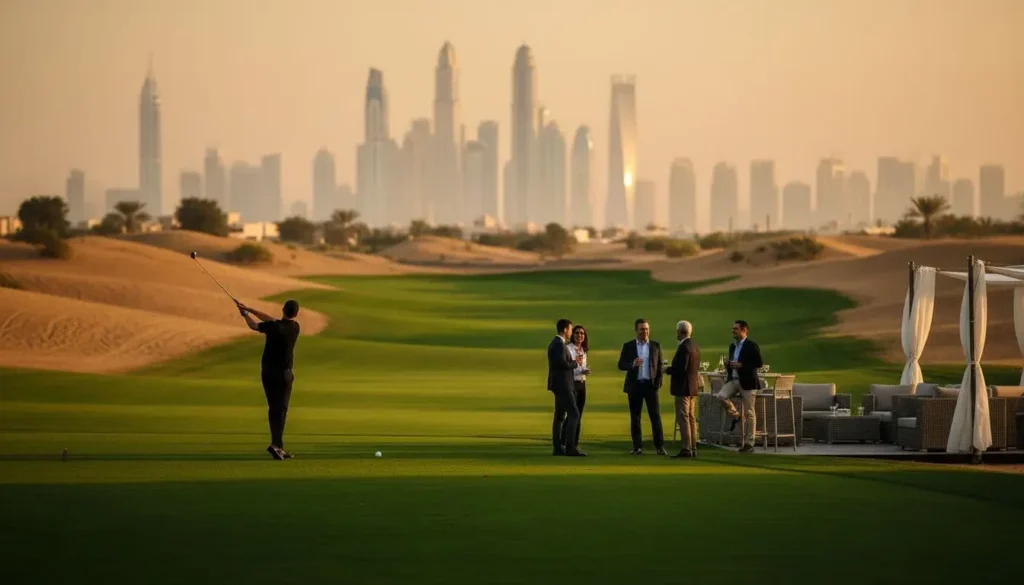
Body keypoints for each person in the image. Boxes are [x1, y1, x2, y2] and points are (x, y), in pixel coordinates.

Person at [238, 299, 301, 460]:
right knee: (280, 410)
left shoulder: (273, 327)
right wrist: (249, 309)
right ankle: (276, 446)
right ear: (296, 313)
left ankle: (278, 446)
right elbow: (270, 319)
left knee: (274, 408)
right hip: (284, 375)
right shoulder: (295, 328)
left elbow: (254, 325)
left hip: (267, 373)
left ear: (283, 309)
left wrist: (246, 313)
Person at [617, 318, 667, 455]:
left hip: (650, 386)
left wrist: (658, 382)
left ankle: (659, 446)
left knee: (655, 416)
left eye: (646, 329)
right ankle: (637, 446)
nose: (644, 332)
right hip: (635, 385)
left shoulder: (655, 345)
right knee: (635, 417)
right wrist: (631, 364)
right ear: (636, 330)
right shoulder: (629, 346)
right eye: (642, 329)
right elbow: (621, 364)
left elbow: (660, 365)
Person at [715, 320, 764, 453]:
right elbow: (733, 362)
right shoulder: (732, 346)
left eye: (735, 329)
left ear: (744, 330)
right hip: (734, 380)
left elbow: (759, 363)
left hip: (748, 382)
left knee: (749, 413)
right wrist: (729, 364)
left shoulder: (751, 346)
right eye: (732, 329)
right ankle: (736, 416)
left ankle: (749, 443)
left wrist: (742, 365)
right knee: (721, 396)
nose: (733, 331)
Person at [547, 318, 585, 456]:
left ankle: (558, 448)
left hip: (560, 384)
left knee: (559, 416)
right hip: (564, 385)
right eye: (570, 329)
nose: (571, 332)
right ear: (565, 330)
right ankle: (570, 448)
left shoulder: (557, 344)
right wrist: (575, 363)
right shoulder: (559, 344)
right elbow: (562, 364)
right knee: (574, 414)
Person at [666, 320, 701, 458]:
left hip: (683, 388)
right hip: (692, 387)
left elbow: (680, 369)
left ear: (679, 332)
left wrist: (667, 369)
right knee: (691, 418)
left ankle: (686, 448)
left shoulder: (684, 347)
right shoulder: (694, 346)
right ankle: (693, 447)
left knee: (683, 418)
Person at [565, 325, 591, 453]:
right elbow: (567, 366)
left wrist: (584, 371)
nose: (579, 335)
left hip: (582, 383)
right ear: (572, 335)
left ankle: (573, 442)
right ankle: (568, 443)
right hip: (572, 383)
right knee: (572, 414)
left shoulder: (583, 350)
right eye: (577, 333)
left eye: (582, 333)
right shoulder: (568, 349)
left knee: (578, 414)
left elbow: (580, 368)